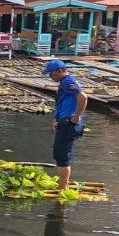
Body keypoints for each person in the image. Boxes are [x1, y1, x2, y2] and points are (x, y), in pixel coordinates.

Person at [45, 59, 87, 190]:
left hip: (69, 123)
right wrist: (57, 120)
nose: (50, 77)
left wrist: (76, 117)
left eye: (51, 74)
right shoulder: (65, 82)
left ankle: (63, 187)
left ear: (59, 71)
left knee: (62, 155)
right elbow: (64, 103)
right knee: (60, 153)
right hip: (65, 121)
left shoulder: (68, 82)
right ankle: (64, 183)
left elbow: (83, 97)